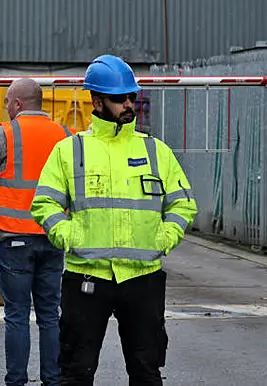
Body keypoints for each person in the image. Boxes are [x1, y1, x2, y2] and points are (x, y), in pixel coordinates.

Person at [30, 55, 198, 386]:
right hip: (86, 277)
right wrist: (70, 236)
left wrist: (163, 239)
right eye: (118, 98)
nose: (127, 104)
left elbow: (183, 204)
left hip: (143, 279)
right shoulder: (71, 150)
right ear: (97, 101)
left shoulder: (155, 151)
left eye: (130, 97)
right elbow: (45, 203)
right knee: (76, 373)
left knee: (146, 374)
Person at [0, 78, 72, 386]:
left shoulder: (5, 133)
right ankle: (52, 380)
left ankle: (16, 381)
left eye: (6, 103)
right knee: (49, 314)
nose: (5, 109)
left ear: (17, 104)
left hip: (15, 238)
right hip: (53, 236)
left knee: (16, 315)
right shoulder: (64, 135)